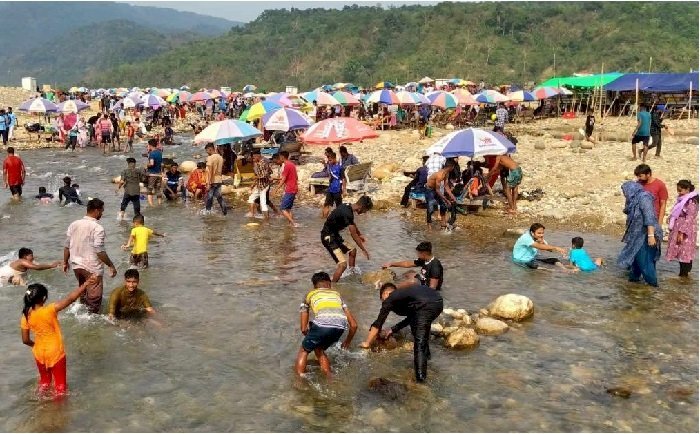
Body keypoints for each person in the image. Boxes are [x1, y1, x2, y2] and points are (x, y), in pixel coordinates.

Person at [21, 276, 99, 398]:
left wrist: (35, 345)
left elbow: (25, 340)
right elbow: (71, 298)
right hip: (55, 352)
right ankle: (59, 413)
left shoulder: (26, 316)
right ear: (44, 298)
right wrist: (85, 284)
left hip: (39, 352)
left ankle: (40, 402)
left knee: (45, 382)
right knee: (60, 386)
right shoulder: (50, 310)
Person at [360, 282, 443, 383]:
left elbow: (379, 322)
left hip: (426, 305)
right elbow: (412, 317)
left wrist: (367, 343)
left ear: (385, 294)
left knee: (419, 344)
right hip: (438, 302)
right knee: (418, 329)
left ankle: (421, 379)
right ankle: (427, 357)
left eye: (381, 299)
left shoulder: (390, 298)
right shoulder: (405, 296)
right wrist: (392, 330)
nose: (383, 303)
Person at [295, 272, 357, 378]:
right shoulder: (337, 295)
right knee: (319, 349)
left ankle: (299, 379)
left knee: (304, 350)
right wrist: (347, 342)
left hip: (323, 324)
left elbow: (303, 328)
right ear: (329, 284)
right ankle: (329, 378)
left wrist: (309, 337)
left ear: (314, 286)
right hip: (340, 326)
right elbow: (354, 325)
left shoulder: (310, 294)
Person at [63, 198, 117, 314]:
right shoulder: (98, 228)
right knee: (94, 301)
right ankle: (91, 323)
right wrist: (111, 265)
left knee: (83, 293)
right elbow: (99, 250)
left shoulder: (74, 224)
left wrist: (64, 262)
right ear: (97, 211)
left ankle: (80, 313)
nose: (102, 214)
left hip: (76, 265)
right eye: (102, 211)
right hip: (92, 267)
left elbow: (67, 246)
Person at [617, 181, 663, 287]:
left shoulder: (644, 198)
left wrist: (651, 236)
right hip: (638, 235)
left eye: (624, 191)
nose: (624, 194)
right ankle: (633, 282)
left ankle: (652, 285)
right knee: (636, 258)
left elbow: (649, 216)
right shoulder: (634, 200)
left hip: (646, 234)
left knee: (645, 261)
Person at [321, 196, 373, 282]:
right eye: (365, 211)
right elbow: (353, 234)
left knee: (352, 250)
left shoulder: (348, 207)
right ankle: (333, 286)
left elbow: (352, 223)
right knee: (343, 265)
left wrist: (359, 234)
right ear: (362, 207)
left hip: (334, 235)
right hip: (328, 237)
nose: (364, 213)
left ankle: (351, 273)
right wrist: (363, 249)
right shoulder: (347, 213)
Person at [665, 180, 698, 278]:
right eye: (678, 190)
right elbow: (676, 212)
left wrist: (681, 232)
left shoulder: (691, 201)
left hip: (686, 229)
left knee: (685, 252)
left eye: (680, 190)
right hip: (679, 227)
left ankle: (684, 275)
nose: (678, 192)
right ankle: (684, 277)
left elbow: (690, 217)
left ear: (687, 189)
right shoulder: (682, 199)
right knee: (681, 252)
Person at [425, 159, 457, 230]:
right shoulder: (440, 175)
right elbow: (437, 190)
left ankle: (443, 223)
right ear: (451, 167)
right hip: (429, 189)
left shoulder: (446, 173)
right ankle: (429, 226)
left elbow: (446, 186)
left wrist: (452, 196)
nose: (453, 168)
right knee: (430, 207)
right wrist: (446, 199)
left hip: (436, 190)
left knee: (443, 205)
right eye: (453, 167)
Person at [273, 151, 299, 227]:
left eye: (280, 157)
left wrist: (276, 189)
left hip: (290, 189)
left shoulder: (287, 165)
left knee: (283, 208)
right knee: (288, 209)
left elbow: (283, 179)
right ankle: (290, 224)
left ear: (282, 157)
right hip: (294, 188)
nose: (279, 158)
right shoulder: (292, 164)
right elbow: (296, 177)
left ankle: (294, 223)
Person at [204, 143, 228, 215]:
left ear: (210, 149)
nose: (207, 152)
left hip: (212, 180)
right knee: (219, 197)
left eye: (207, 151)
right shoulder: (220, 157)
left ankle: (208, 212)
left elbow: (210, 171)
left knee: (209, 197)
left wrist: (208, 183)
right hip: (219, 180)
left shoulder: (210, 158)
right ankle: (224, 211)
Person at [246, 152, 271, 219]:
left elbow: (265, 175)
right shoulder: (257, 164)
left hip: (264, 186)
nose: (253, 159)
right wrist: (253, 185)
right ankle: (252, 214)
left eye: (254, 157)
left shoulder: (262, 163)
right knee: (251, 198)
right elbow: (270, 171)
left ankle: (266, 219)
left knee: (263, 203)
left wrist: (256, 177)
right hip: (259, 185)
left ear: (258, 156)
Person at [322, 151, 345, 218]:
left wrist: (344, 190)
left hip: (337, 189)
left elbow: (343, 179)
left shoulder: (340, 168)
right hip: (330, 189)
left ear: (335, 159)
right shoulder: (330, 166)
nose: (329, 162)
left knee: (339, 206)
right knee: (326, 205)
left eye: (330, 160)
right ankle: (323, 220)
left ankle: (340, 220)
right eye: (328, 160)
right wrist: (324, 163)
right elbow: (328, 169)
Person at [146, 139, 163, 207]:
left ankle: (151, 205)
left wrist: (147, 165)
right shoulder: (159, 152)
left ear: (150, 145)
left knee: (150, 189)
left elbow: (152, 163)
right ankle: (159, 204)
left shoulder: (152, 153)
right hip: (159, 174)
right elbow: (161, 164)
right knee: (158, 189)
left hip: (152, 174)